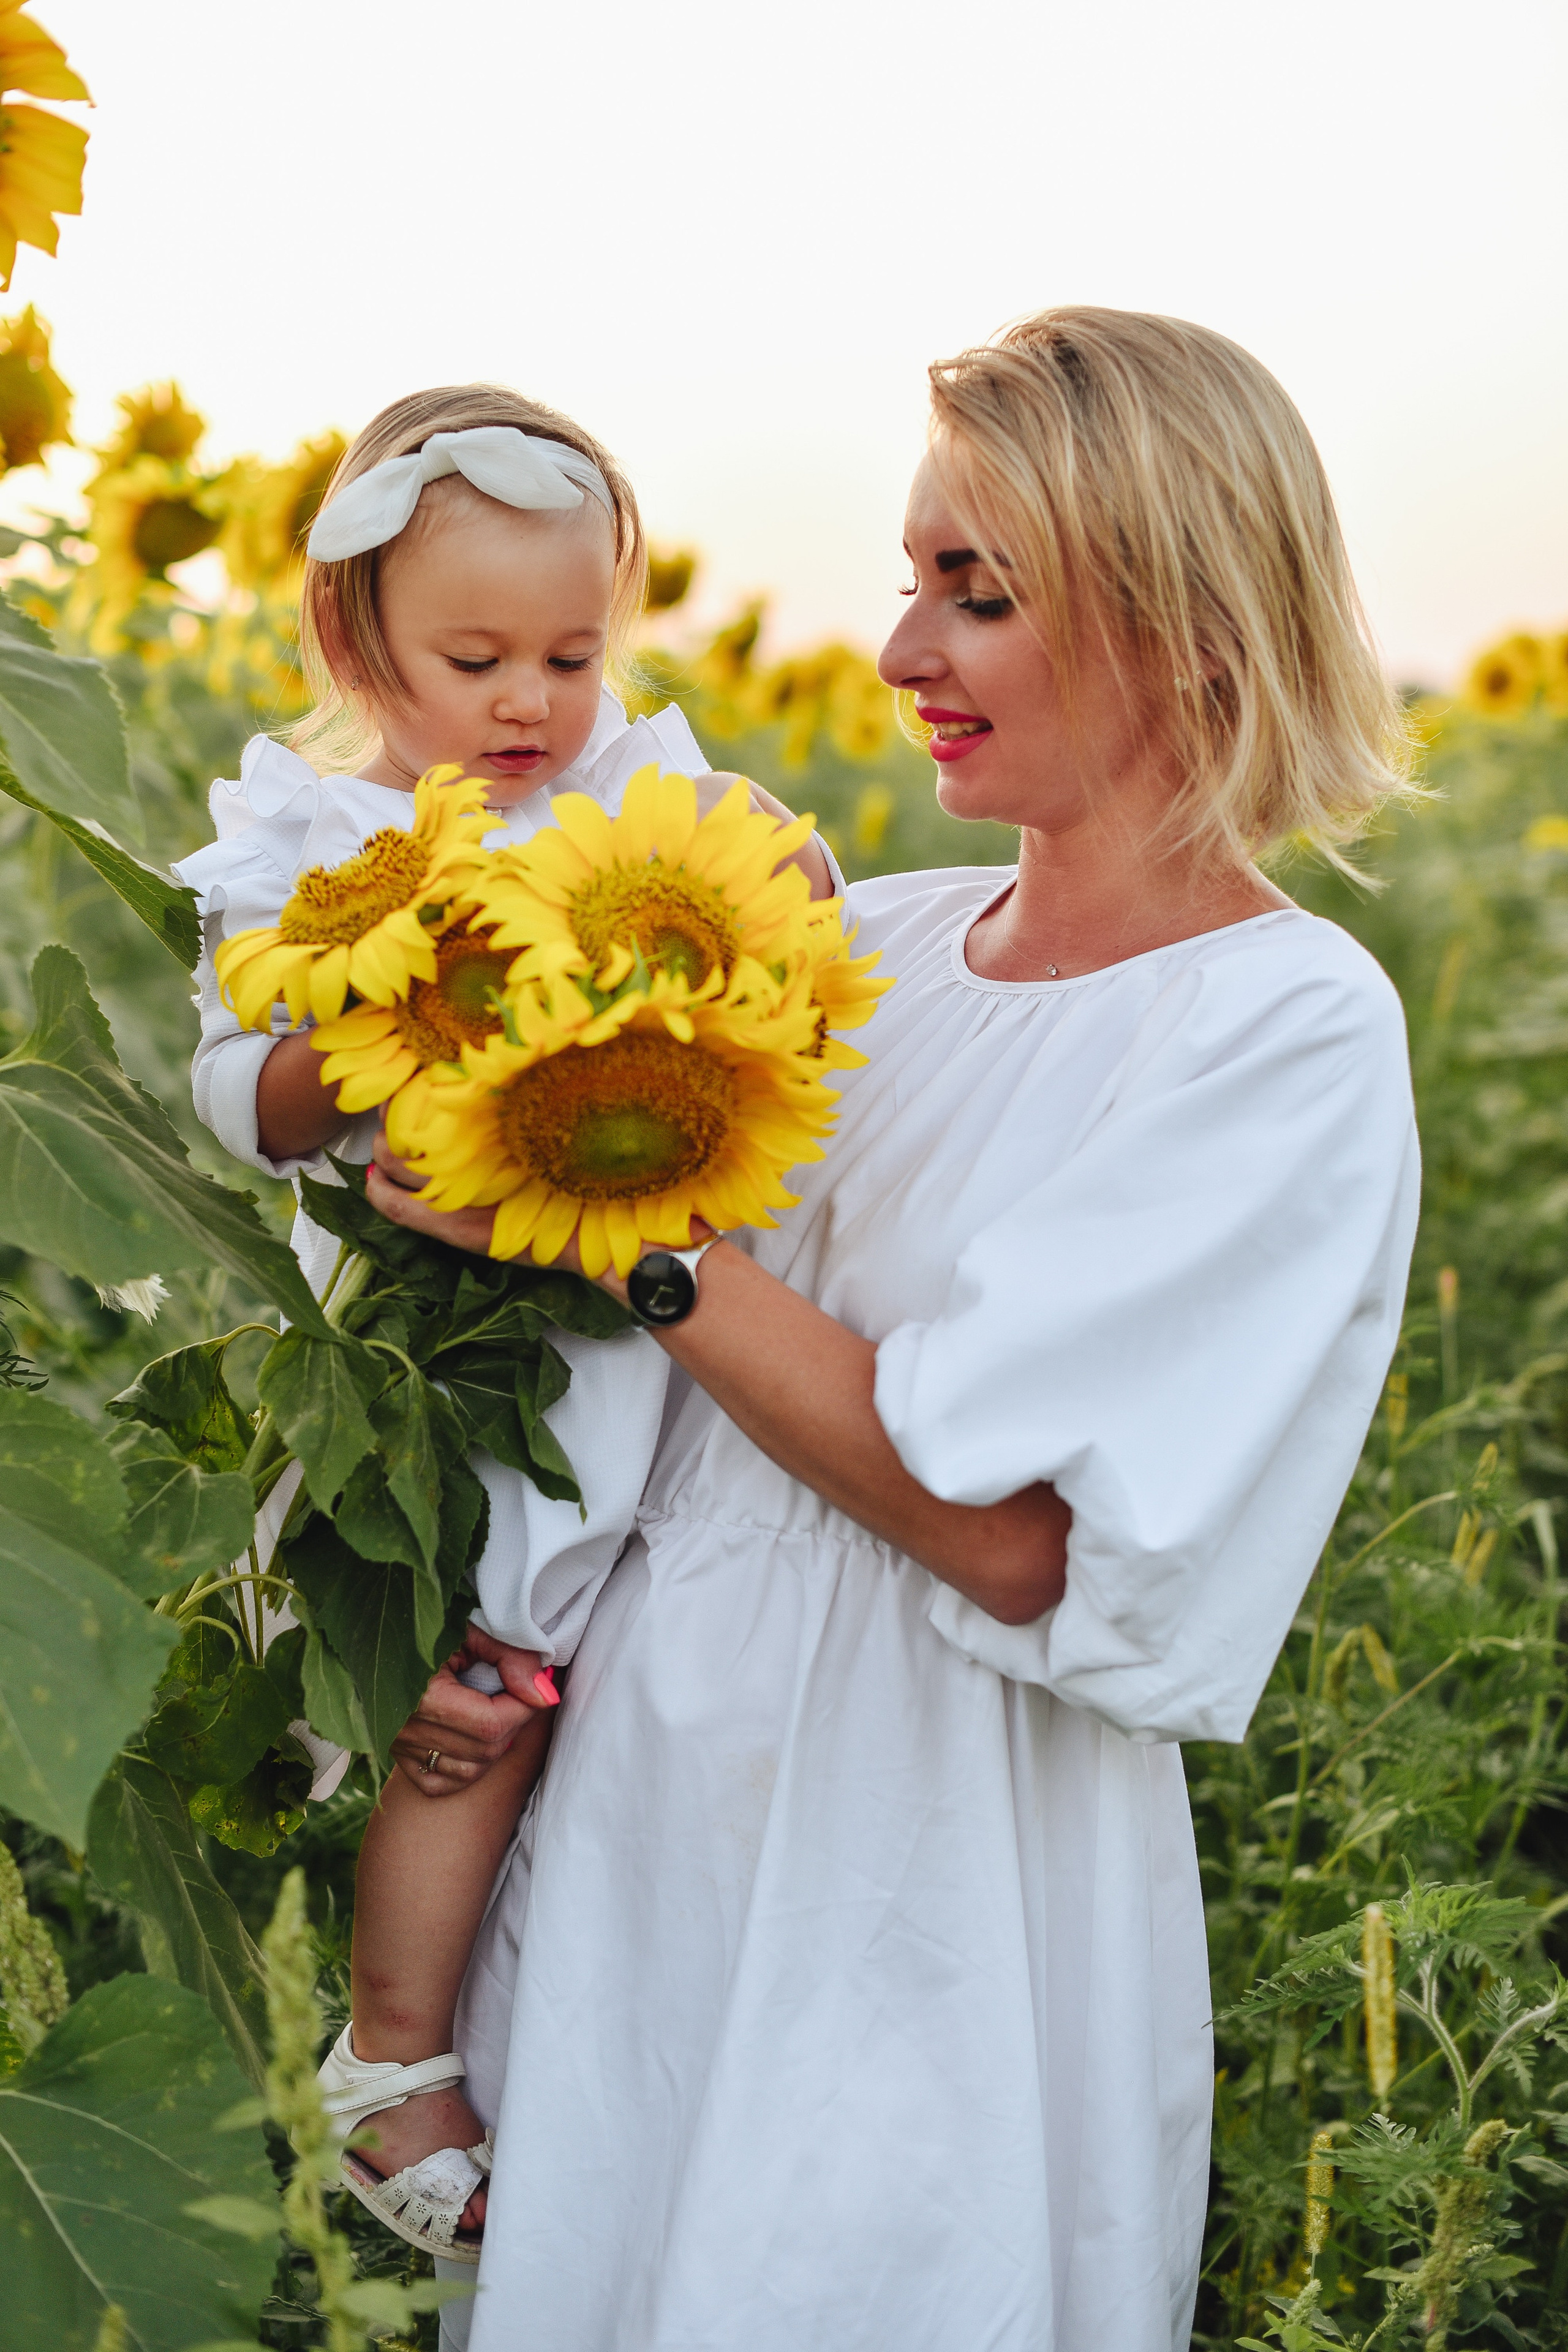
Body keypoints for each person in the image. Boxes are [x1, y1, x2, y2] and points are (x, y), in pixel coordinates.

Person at [370, 308, 1422, 2352]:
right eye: (915, 577)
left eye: (981, 593)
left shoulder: (1278, 1025)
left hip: (921, 1851)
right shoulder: (871, 946)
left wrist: (620, 1219)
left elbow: (1022, 1536)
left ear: (1193, 632)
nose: (901, 651)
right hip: (647, 1809)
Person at [172, 381, 832, 2259]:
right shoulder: (313, 843)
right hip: (407, 1344)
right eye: (476, 657)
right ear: (352, 636)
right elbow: (236, 1096)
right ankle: (392, 2061)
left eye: (570, 650)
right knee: (475, 1685)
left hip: (603, 1323)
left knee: (568, 1643)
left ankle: (494, 2034)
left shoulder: (636, 799)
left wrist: (777, 875)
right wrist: (370, 1022)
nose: (532, 702)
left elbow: (769, 908)